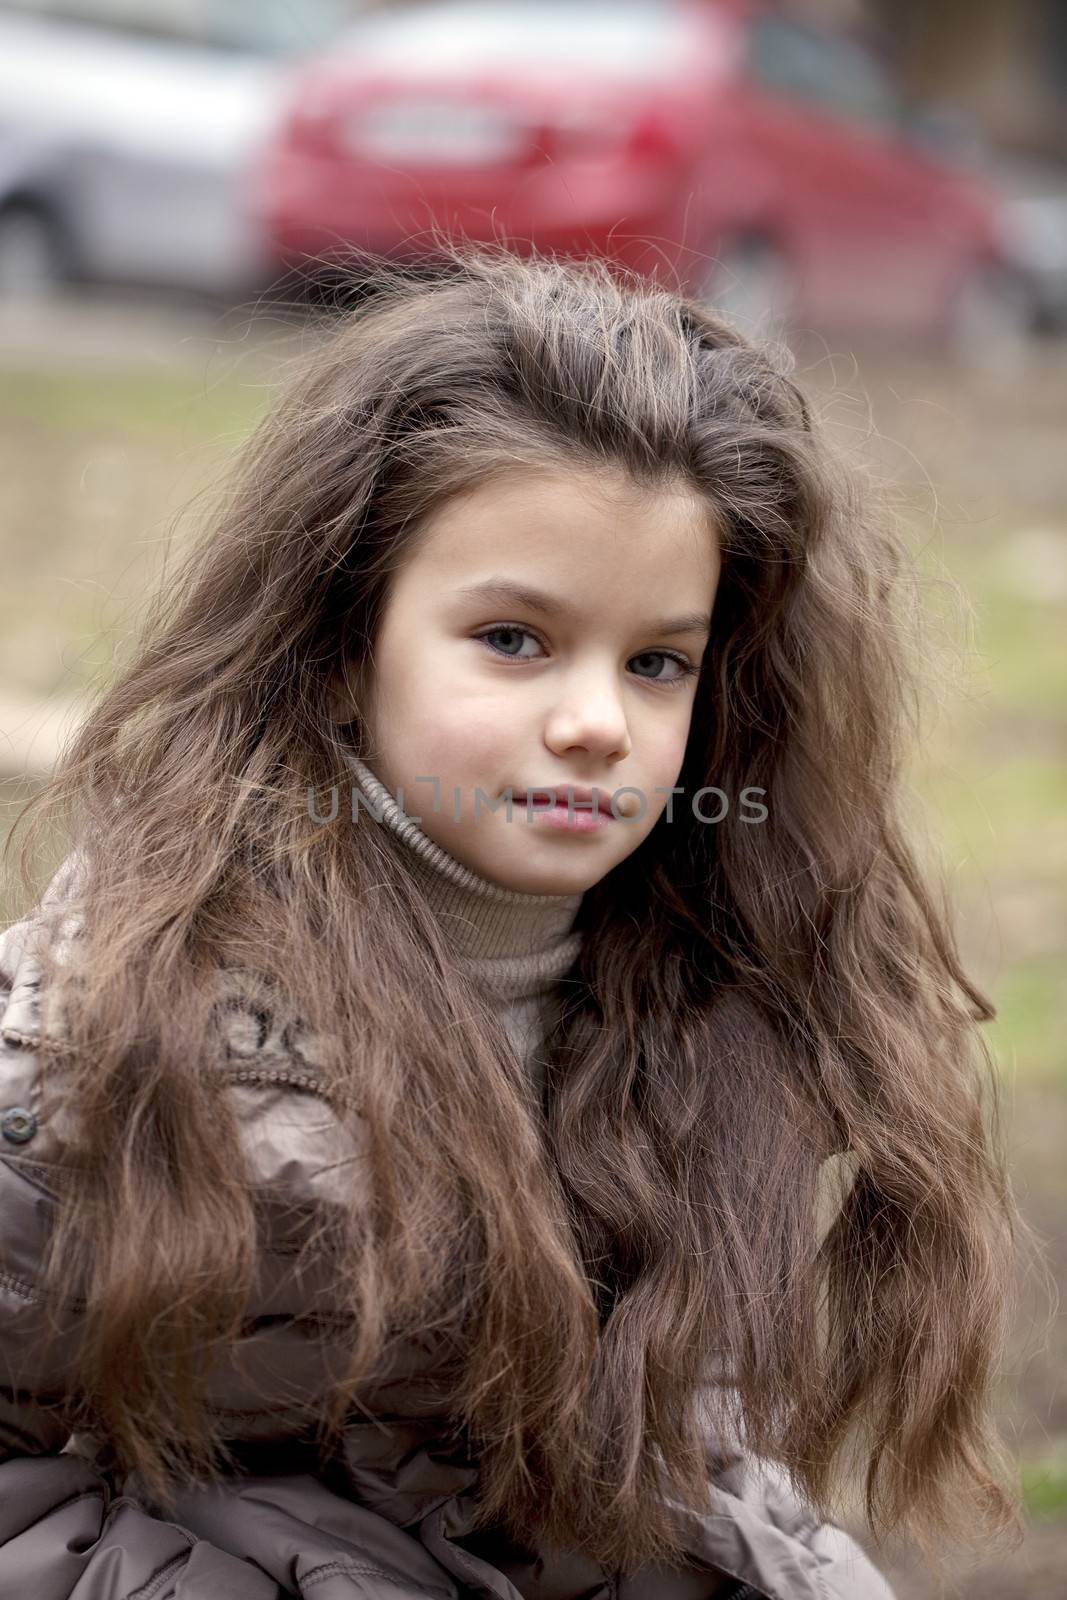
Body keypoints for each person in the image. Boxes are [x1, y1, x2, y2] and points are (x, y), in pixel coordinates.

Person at [0, 245, 1026, 1599]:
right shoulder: (118, 1029)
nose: (596, 721)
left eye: (656, 661)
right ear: (344, 648)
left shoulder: (713, 994)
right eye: (514, 639)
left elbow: (688, 1450)